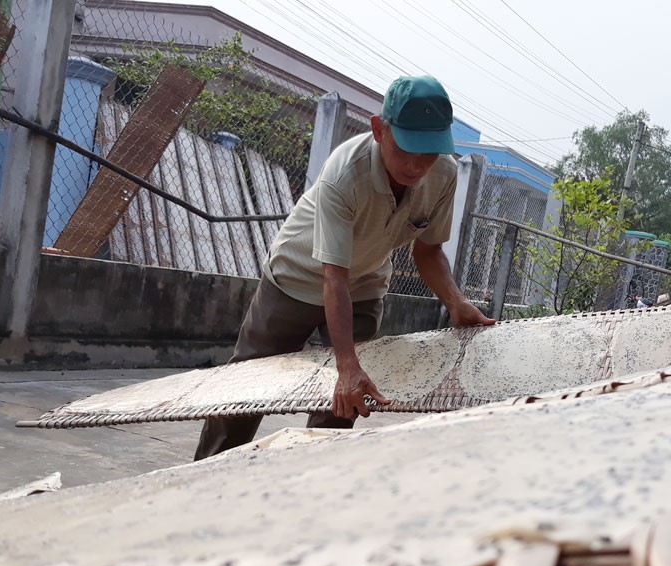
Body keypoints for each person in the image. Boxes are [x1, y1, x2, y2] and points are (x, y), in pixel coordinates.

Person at [195, 75, 494, 460]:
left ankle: (314, 480)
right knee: (244, 390)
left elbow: (429, 249)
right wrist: (346, 364)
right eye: (408, 148)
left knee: (346, 398)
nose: (417, 165)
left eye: (430, 151)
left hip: (365, 283)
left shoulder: (444, 175)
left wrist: (454, 302)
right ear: (378, 130)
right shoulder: (345, 172)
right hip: (295, 278)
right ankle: (205, 472)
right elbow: (332, 277)